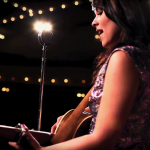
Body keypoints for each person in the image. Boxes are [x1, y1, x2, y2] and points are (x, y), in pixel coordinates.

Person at [9, 0, 150, 149]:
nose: (93, 22)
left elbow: (104, 139)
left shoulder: (124, 56)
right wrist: (71, 119)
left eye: (100, 12)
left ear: (123, 11)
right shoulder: (142, 57)